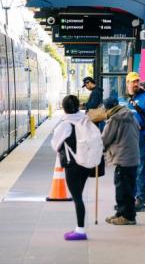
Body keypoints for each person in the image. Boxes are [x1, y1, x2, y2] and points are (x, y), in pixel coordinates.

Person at [51, 94, 94, 241]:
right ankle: (78, 227)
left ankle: (80, 231)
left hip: (73, 165)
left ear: (64, 108)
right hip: (86, 164)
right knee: (78, 196)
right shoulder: (86, 120)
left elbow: (55, 145)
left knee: (77, 198)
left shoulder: (65, 124)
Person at [101, 94, 140, 225]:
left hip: (123, 158)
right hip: (132, 157)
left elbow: (105, 139)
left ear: (109, 108)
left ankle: (128, 217)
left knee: (123, 189)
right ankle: (120, 213)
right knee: (127, 187)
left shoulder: (115, 119)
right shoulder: (129, 115)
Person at [125, 71, 145, 212]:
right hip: (128, 140)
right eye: (133, 81)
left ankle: (141, 199)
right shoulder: (128, 100)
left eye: (137, 81)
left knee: (141, 168)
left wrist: (142, 126)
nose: (135, 84)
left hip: (141, 138)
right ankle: (131, 198)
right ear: (127, 84)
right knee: (131, 169)